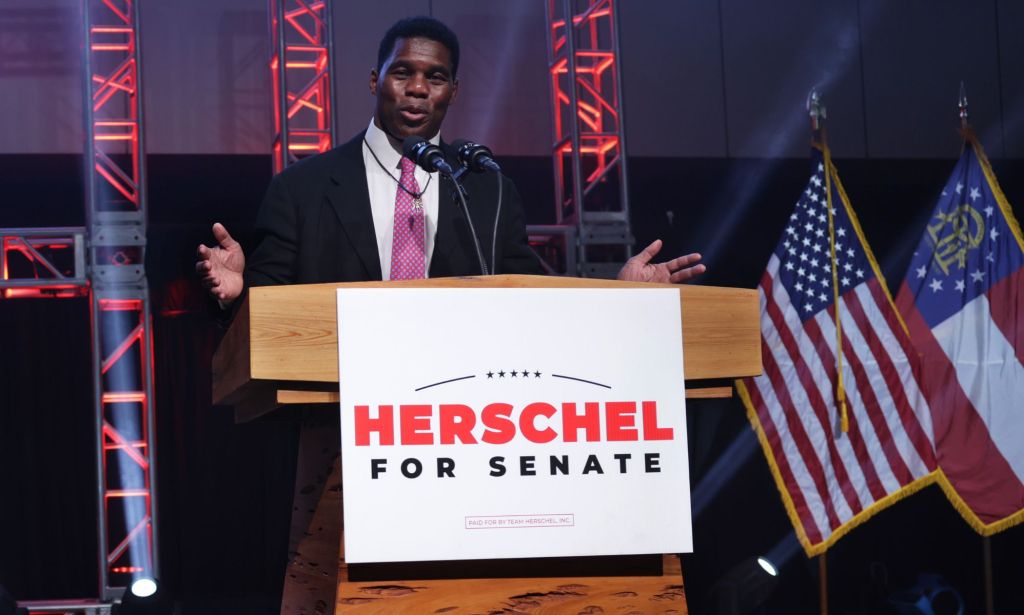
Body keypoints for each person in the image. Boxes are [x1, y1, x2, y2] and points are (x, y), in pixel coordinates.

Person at [196, 16, 704, 301]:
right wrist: (239, 290)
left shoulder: (486, 187)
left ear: (453, 92)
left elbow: (531, 292)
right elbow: (268, 307)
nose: (417, 89)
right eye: (402, 73)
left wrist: (620, 297)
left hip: (453, 427)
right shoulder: (301, 188)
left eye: (435, 77)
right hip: (335, 423)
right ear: (376, 81)